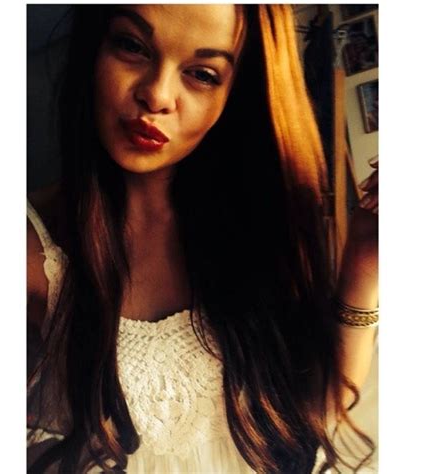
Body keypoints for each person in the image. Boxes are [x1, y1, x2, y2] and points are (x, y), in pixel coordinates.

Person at [27, 5, 379, 473]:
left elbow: (318, 410)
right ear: (94, 48)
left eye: (202, 74)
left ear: (236, 95)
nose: (157, 95)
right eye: (132, 46)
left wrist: (366, 261)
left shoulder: (265, 227)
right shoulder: (33, 246)